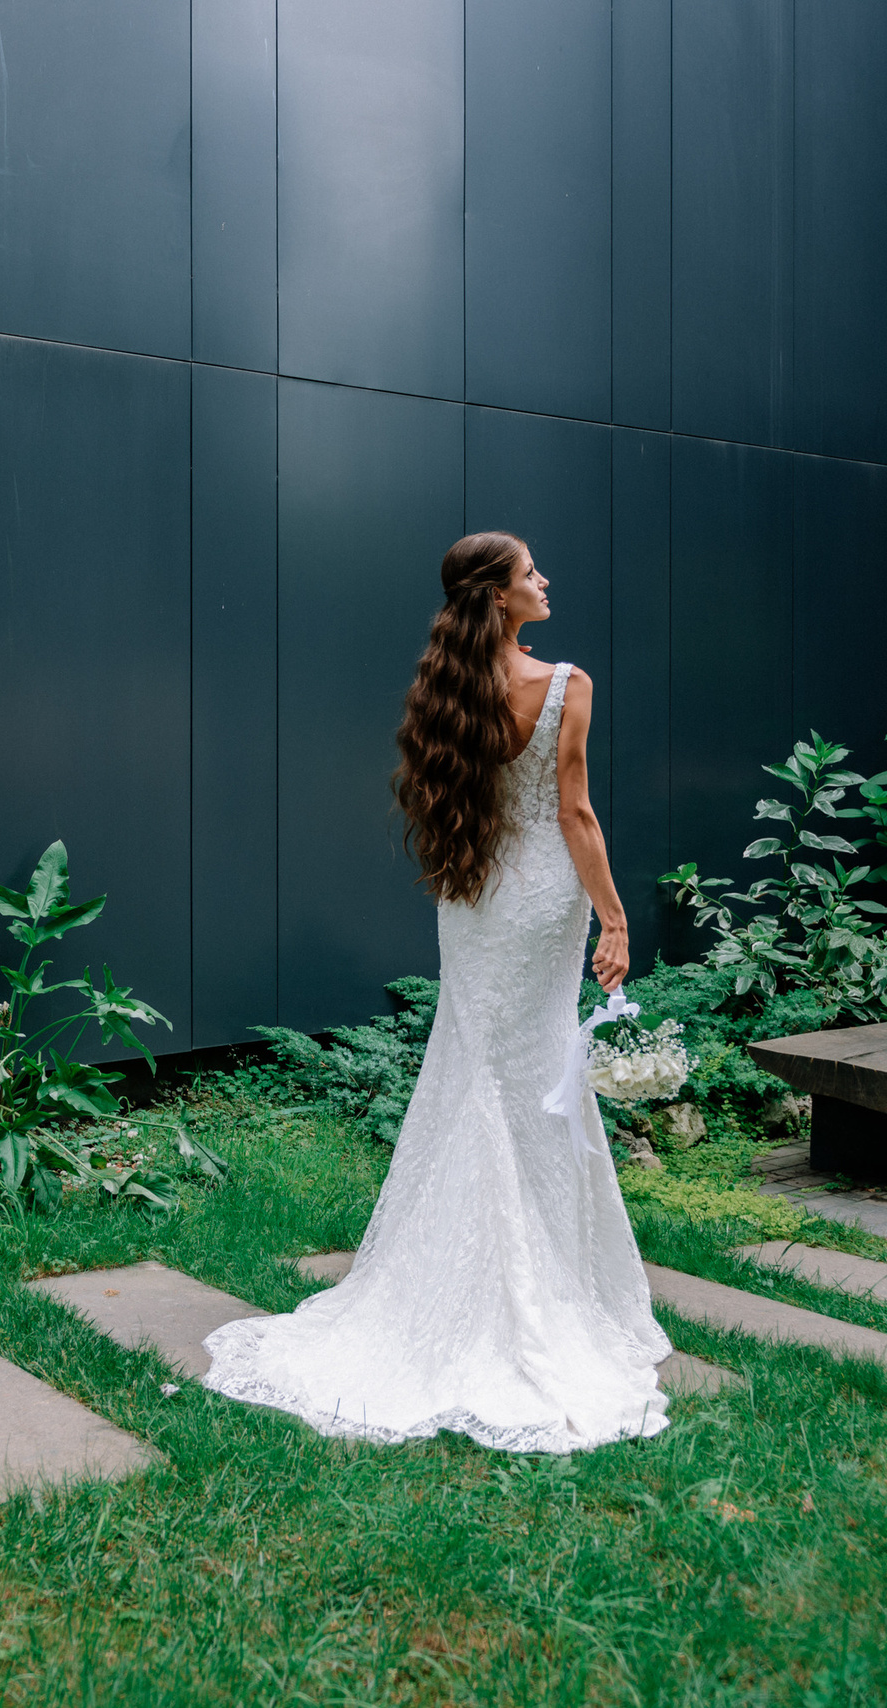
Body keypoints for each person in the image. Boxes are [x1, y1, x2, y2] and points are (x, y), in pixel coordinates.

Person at [198, 530, 677, 1452]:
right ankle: (529, 1292)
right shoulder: (565, 685)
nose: (546, 580)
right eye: (532, 572)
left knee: (478, 1073)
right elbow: (575, 813)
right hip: (540, 900)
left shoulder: (447, 689)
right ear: (499, 597)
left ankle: (481, 1278)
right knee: (529, 1081)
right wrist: (614, 918)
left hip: (475, 901)